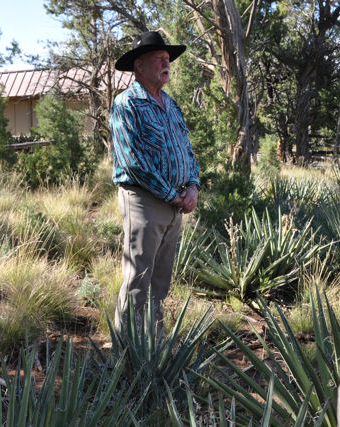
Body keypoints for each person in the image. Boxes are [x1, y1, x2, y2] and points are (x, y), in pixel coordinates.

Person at [110, 31, 200, 336]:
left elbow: (186, 150)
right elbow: (133, 161)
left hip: (175, 205)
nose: (166, 62)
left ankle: (155, 347)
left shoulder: (171, 105)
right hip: (144, 202)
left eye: (167, 58)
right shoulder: (126, 104)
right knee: (138, 280)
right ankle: (127, 354)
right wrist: (174, 196)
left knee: (159, 284)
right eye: (159, 58)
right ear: (139, 65)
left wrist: (192, 187)